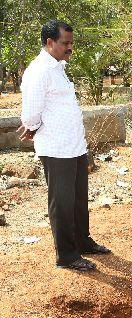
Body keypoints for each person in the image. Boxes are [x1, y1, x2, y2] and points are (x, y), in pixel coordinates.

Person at [18, 20, 110, 271]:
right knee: (62, 202)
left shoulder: (58, 67)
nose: (70, 47)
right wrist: (33, 126)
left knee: (78, 200)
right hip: (57, 148)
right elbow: (30, 113)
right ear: (49, 43)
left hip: (74, 145)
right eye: (65, 43)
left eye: (71, 42)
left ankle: (82, 242)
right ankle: (67, 256)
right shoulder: (39, 71)